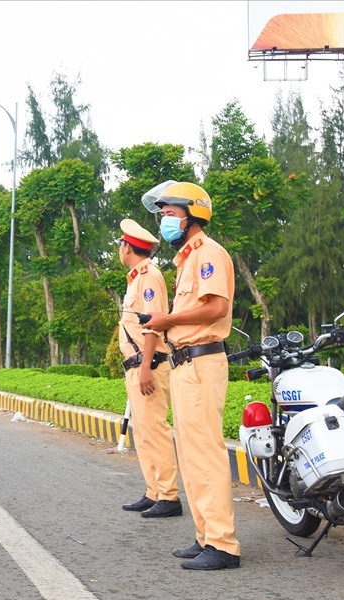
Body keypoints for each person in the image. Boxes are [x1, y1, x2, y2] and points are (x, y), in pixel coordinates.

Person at [143, 181, 240, 571]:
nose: (164, 220)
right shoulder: (186, 260)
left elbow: (216, 307)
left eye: (169, 213)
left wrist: (168, 319)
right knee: (191, 453)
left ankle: (222, 544)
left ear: (191, 214)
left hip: (201, 362)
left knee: (205, 453)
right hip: (185, 363)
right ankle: (206, 536)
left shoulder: (208, 253)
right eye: (162, 213)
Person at [116, 218, 182, 519]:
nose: (120, 248)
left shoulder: (149, 276)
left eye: (121, 244)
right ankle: (154, 491)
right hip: (137, 366)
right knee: (143, 432)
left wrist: (144, 368)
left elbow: (153, 325)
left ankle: (169, 496)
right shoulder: (136, 278)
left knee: (155, 430)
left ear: (127, 247)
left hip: (149, 366)